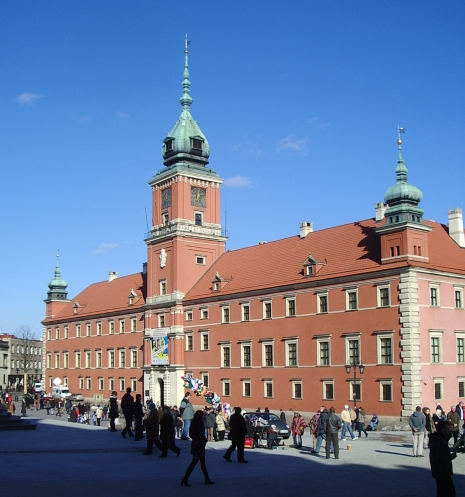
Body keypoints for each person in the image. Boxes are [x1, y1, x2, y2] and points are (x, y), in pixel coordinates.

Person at [181, 410, 215, 486]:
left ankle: (207, 478)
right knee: (195, 462)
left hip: (195, 443)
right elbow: (200, 434)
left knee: (201, 462)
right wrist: (204, 440)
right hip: (199, 445)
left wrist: (196, 438)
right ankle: (185, 478)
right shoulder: (200, 423)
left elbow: (191, 434)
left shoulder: (193, 422)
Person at [429, 420, 456, 497]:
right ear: (442, 430)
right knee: (449, 492)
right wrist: (451, 456)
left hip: (440, 472)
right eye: (447, 429)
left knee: (442, 491)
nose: (449, 431)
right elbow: (441, 457)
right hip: (442, 472)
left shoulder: (439, 439)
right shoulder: (439, 442)